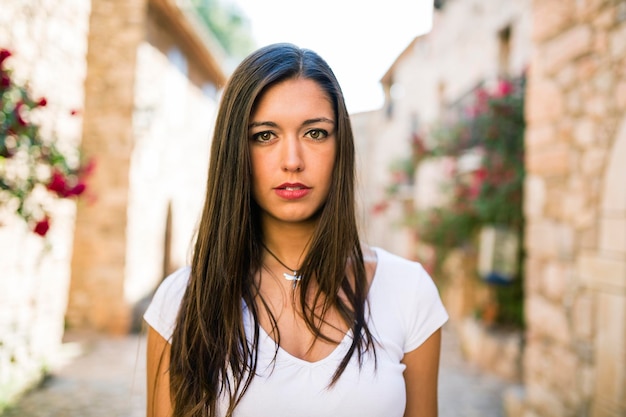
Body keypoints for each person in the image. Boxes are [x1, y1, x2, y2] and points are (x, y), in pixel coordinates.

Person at [144, 43, 448, 417]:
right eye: (265, 136)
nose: (292, 161)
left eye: (315, 134)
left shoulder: (407, 291)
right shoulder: (182, 300)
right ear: (235, 149)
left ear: (341, 146)